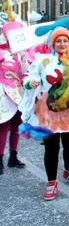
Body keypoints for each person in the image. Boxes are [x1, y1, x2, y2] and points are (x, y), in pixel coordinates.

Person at [19, 27, 69, 200]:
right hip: (48, 111)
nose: (62, 44)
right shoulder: (42, 60)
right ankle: (51, 182)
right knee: (51, 147)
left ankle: (68, 170)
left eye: (65, 41)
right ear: (53, 43)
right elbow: (29, 76)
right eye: (58, 41)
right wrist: (29, 82)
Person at [0, 22, 26, 175]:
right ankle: (0, 159)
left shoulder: (22, 52)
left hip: (19, 93)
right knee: (3, 126)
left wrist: (24, 59)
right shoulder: (1, 52)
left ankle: (13, 156)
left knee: (17, 125)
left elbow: (26, 72)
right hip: (3, 94)